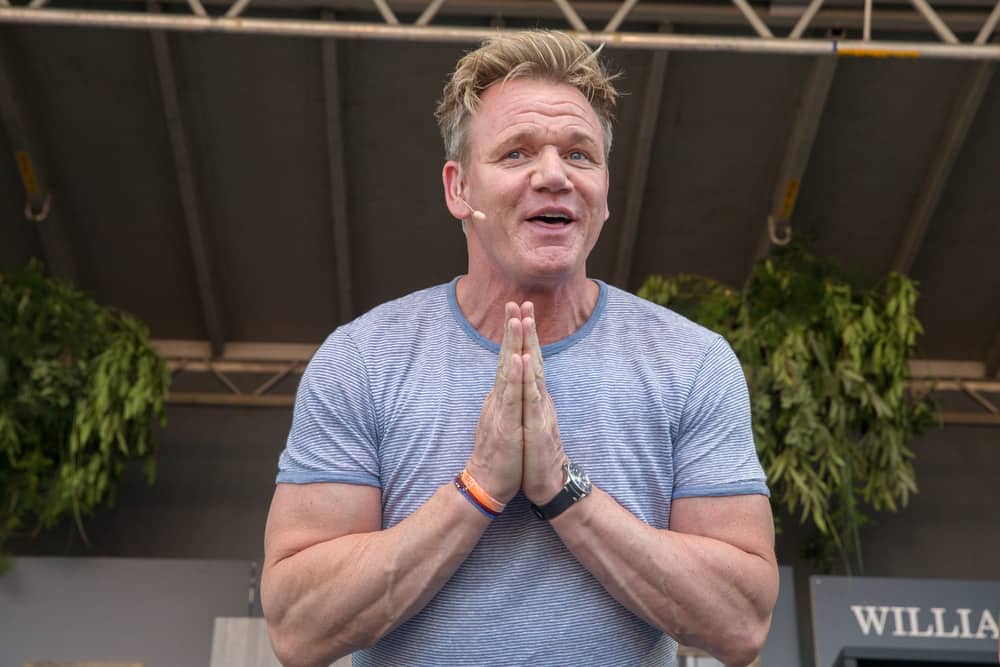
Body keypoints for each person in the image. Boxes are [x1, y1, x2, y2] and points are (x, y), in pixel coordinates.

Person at [262, 30, 778, 667]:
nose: (555, 175)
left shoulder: (692, 361)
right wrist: (479, 489)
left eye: (580, 155)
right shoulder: (363, 359)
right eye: (516, 153)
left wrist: (563, 491)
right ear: (459, 189)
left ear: (604, 192)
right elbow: (296, 627)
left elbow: (743, 622)